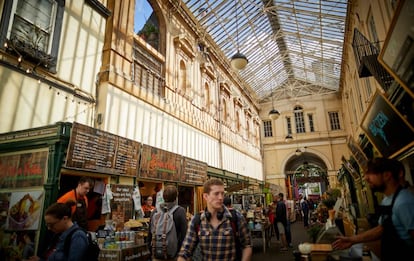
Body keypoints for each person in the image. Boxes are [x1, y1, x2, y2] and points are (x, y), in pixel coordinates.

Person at [332, 158, 414, 260]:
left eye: (370, 173)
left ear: (387, 175)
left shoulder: (404, 202)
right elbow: (381, 229)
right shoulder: (387, 200)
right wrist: (352, 240)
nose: (365, 178)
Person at [178, 178, 252, 261]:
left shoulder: (236, 217)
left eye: (222, 194)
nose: (220, 198)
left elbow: (247, 246)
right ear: (206, 196)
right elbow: (185, 251)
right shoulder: (197, 220)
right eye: (216, 194)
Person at [148, 185, 187, 261]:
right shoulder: (180, 211)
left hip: (156, 255)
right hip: (173, 256)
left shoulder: (155, 211)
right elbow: (184, 235)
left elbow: (150, 234)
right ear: (176, 197)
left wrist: (152, 252)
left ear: (163, 197)